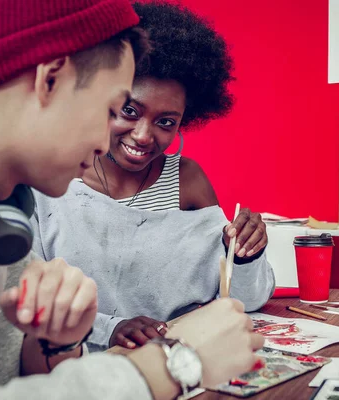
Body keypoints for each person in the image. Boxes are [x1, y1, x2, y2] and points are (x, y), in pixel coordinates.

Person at [0, 1, 264, 399]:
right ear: (51, 80)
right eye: (113, 110)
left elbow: (8, 372)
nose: (103, 141)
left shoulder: (4, 207)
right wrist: (174, 363)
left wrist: (58, 345)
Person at [32, 1, 275, 351]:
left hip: (173, 366)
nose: (144, 136)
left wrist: (245, 254)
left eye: (165, 122)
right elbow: (28, 297)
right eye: (130, 110)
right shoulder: (52, 180)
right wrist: (111, 329)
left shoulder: (186, 181)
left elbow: (241, 299)